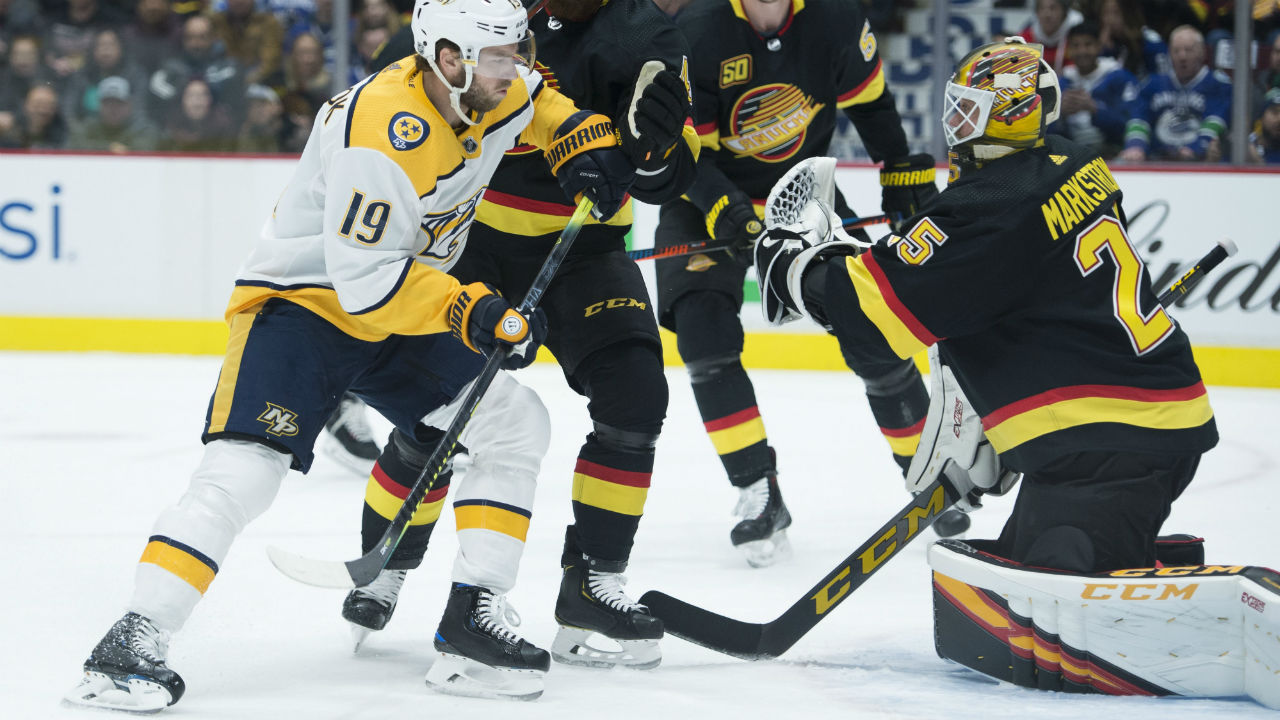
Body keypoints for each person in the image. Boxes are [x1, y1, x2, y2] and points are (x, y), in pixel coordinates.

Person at [64, 0, 636, 709]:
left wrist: (581, 138)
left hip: (405, 299)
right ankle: (132, 637)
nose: (516, 68)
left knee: (512, 421)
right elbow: (367, 285)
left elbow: (541, 103)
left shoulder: (495, 85)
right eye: (499, 56)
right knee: (245, 472)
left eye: (517, 51)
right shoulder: (381, 134)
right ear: (449, 59)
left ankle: (470, 621)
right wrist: (474, 310)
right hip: (306, 306)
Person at [753, 32, 1217, 602]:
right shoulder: (1073, 159)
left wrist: (795, 267)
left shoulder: (988, 205)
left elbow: (873, 322)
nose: (956, 125)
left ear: (1007, 116)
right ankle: (1126, 553)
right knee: (1016, 566)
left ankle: (1136, 582)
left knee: (1046, 596)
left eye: (967, 110)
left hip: (1107, 441)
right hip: (1139, 418)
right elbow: (1029, 301)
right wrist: (1007, 423)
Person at [350, 0, 697, 671]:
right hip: (468, 241)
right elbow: (391, 80)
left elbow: (670, 171)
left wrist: (652, 153)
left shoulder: (646, 34)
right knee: (441, 410)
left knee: (635, 397)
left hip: (585, 249)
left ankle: (592, 583)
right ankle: (387, 562)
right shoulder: (482, 12)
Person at [654, 0, 944, 568]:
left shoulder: (835, 19)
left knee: (873, 327)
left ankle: (930, 475)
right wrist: (725, 209)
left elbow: (872, 105)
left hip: (802, 194)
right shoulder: (698, 32)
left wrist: (901, 174)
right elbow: (684, 154)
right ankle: (757, 489)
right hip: (707, 200)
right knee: (703, 332)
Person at [1120, 25, 1231, 162]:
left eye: (1188, 50)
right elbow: (1139, 120)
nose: (1182, 56)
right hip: (1157, 160)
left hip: (1200, 162)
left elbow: (1215, 122)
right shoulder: (1152, 84)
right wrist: (1135, 146)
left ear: (1202, 52)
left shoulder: (1218, 85)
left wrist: (1196, 148)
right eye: (1176, 51)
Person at [1054, 21, 1137, 157]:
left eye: (1088, 44)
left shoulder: (1119, 77)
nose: (1082, 51)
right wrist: (1058, 114)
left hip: (1113, 153)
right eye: (1076, 45)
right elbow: (1045, 133)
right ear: (1068, 50)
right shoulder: (1059, 82)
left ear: (1099, 46)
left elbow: (1129, 124)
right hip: (1069, 155)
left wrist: (1095, 109)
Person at [66, 75, 160, 152]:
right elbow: (74, 147)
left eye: (119, 103)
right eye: (108, 103)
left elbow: (144, 150)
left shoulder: (142, 128)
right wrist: (109, 148)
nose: (113, 109)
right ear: (99, 105)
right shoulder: (87, 126)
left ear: (129, 105)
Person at [1017, 0, 1083, 73]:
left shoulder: (1075, 39)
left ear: (1064, 12)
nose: (1047, 14)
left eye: (1053, 8)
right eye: (1042, 8)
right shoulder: (1025, 38)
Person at [1248, 87, 1280, 162]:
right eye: (1274, 112)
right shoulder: (1243, 148)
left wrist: (1259, 164)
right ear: (1261, 117)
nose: (1279, 119)